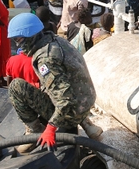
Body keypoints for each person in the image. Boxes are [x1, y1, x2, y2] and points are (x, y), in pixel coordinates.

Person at [6, 13, 97, 153]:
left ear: (30, 37)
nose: (18, 45)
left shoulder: (45, 59)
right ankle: (86, 122)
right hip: (85, 100)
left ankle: (34, 130)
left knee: (16, 87)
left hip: (71, 111)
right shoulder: (57, 40)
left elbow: (64, 100)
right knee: (46, 86)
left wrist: (50, 129)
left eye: (19, 40)